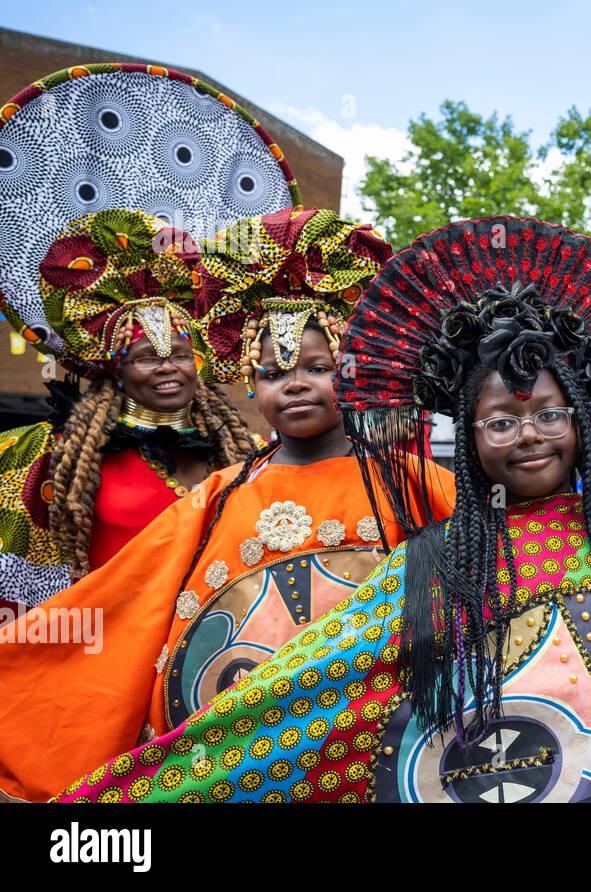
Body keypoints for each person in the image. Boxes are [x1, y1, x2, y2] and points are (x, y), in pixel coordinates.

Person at [54, 216, 591, 804]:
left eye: (550, 414)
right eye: (500, 421)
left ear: (583, 418)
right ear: (468, 435)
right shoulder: (432, 561)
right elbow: (292, 698)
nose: (529, 437)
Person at [0, 207, 454, 803]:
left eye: (316, 368)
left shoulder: (414, 482)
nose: (293, 384)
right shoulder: (218, 496)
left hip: (382, 754)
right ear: (249, 385)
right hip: (246, 764)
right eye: (272, 373)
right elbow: (124, 603)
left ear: (350, 371)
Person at [0, 209, 258, 609]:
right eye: (145, 357)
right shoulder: (62, 454)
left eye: (180, 355)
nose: (168, 367)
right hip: (107, 653)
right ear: (116, 370)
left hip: (208, 657)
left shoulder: (245, 455)